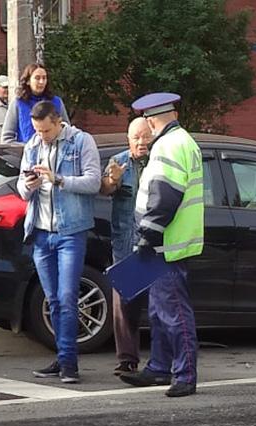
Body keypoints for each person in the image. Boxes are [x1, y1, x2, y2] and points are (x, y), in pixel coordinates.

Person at [118, 92, 204, 398]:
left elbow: (165, 195)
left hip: (167, 244)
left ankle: (184, 374)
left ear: (152, 120)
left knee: (174, 312)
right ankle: (159, 367)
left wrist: (149, 234)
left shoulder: (169, 145)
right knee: (158, 310)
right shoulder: (182, 141)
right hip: (169, 243)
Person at [17, 100, 101, 384]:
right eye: (38, 131)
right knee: (52, 300)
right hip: (41, 231)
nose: (42, 136)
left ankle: (69, 364)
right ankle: (62, 358)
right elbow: (20, 187)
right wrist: (27, 187)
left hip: (70, 232)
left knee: (67, 298)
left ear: (57, 121)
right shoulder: (32, 145)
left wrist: (59, 179)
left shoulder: (80, 141)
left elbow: (94, 182)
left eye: (46, 130)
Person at [100, 117, 152, 376]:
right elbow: (105, 189)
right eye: (136, 138)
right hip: (125, 242)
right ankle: (127, 359)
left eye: (145, 136)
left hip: (154, 241)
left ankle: (162, 359)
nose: (142, 142)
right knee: (125, 304)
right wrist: (113, 180)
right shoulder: (119, 161)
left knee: (157, 303)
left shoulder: (159, 161)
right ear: (128, 140)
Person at [1, 63, 70, 144]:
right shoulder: (18, 103)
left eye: (44, 78)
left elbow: (67, 131)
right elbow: (6, 138)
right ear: (28, 81)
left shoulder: (57, 102)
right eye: (37, 78)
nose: (41, 82)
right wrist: (28, 148)